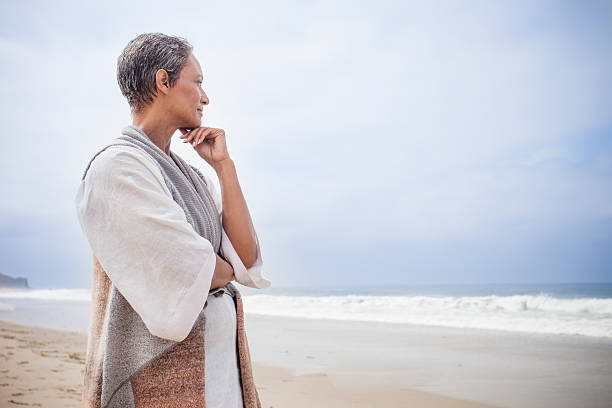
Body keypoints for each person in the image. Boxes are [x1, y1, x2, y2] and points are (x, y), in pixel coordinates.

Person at [75, 33, 270, 408]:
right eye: (197, 81)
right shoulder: (117, 167)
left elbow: (245, 257)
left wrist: (223, 167)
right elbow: (190, 268)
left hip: (222, 374)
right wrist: (225, 267)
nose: (206, 97)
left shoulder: (192, 175)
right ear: (163, 82)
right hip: (158, 380)